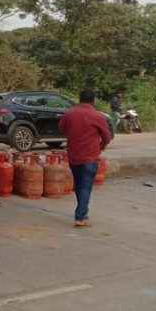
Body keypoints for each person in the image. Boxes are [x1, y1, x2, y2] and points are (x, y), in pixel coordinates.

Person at [58, 89, 111, 228]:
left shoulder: (69, 113)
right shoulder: (97, 116)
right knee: (85, 186)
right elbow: (107, 136)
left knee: (80, 185)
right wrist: (102, 145)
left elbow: (61, 128)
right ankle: (80, 217)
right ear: (93, 100)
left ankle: (83, 213)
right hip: (90, 157)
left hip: (74, 156)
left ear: (79, 99)